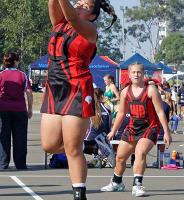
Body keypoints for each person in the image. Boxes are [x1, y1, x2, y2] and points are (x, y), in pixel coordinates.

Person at [40, 1, 117, 200]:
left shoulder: (89, 29)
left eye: (85, 5)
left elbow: (73, 17)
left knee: (71, 148)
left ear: (91, 16)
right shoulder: (59, 23)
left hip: (76, 88)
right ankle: (89, 145)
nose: (79, 5)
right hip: (54, 87)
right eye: (78, 2)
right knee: (49, 145)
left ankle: (79, 193)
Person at [100, 62, 172, 197]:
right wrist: (113, 131)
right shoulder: (125, 91)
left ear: (143, 73)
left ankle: (137, 185)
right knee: (120, 157)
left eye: (139, 72)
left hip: (150, 127)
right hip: (133, 127)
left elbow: (160, 112)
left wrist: (167, 132)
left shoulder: (151, 90)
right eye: (133, 72)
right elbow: (121, 113)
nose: (136, 74)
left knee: (140, 152)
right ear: (129, 74)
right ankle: (117, 183)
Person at [0, 52, 33, 170]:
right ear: (15, 61)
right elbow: (28, 93)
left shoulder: (1, 75)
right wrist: (30, 108)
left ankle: (3, 163)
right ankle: (20, 164)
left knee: (4, 137)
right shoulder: (22, 75)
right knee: (20, 138)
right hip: (19, 109)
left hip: (3, 109)